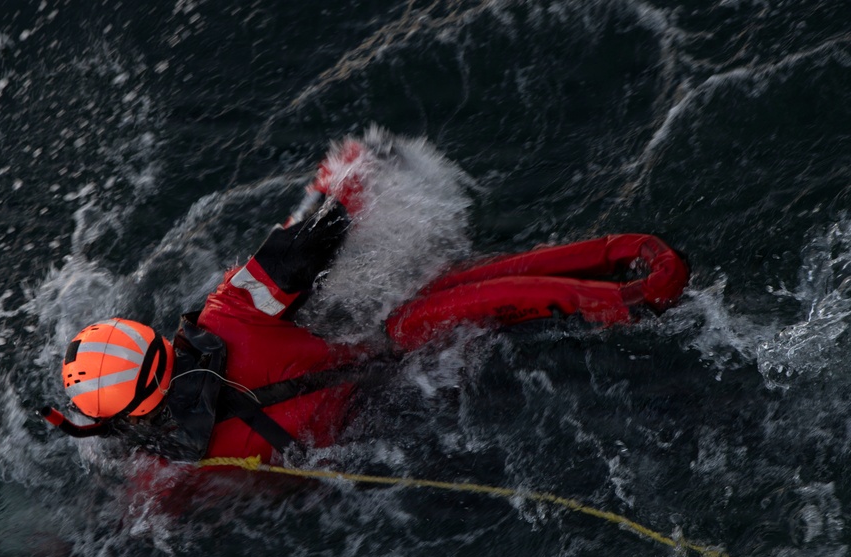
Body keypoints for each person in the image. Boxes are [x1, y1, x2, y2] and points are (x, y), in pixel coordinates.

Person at [41, 138, 689, 466]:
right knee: (455, 302)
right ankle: (641, 286)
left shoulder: (168, 479)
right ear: (154, 340)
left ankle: (635, 297)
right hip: (402, 369)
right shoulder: (227, 314)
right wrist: (350, 171)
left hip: (382, 442)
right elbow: (314, 238)